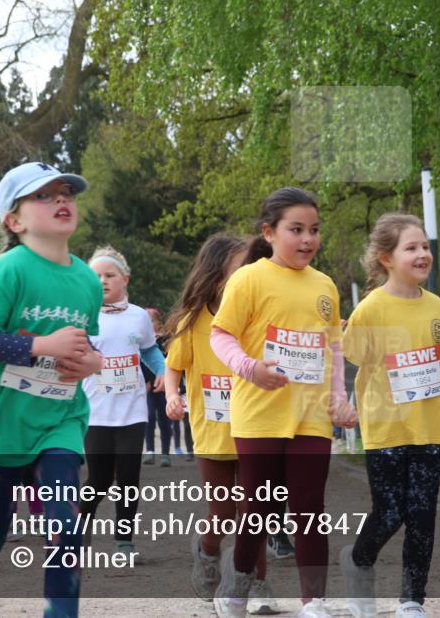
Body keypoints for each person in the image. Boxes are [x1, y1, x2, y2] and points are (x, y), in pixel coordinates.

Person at [0, 162, 103, 618]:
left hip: (60, 420)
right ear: (13, 221)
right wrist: (41, 345)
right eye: (44, 196)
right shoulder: (7, 270)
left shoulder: (88, 279)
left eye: (66, 193)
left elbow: (86, 347)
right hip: (2, 424)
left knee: (65, 527)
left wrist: (92, 362)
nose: (61, 201)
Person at [209, 187, 358, 618]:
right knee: (257, 505)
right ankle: (236, 590)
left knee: (310, 506)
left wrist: (338, 398)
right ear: (269, 232)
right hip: (259, 414)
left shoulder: (325, 285)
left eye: (314, 230)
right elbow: (221, 335)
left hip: (310, 417)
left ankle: (315, 600)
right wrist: (250, 368)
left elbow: (333, 347)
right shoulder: (249, 278)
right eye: (297, 230)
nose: (308, 239)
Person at [340, 214, 440, 618]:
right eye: (411, 248)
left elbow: (438, 367)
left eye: (425, 246)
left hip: (429, 429)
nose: (423, 254)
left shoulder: (438, 309)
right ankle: (358, 559)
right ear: (385, 258)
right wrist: (339, 405)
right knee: (390, 512)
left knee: (423, 516)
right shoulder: (370, 310)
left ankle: (412, 599)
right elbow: (351, 361)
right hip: (386, 428)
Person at [164, 234, 277, 614]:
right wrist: (171, 395)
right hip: (212, 431)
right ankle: (208, 549)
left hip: (255, 427)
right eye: (241, 269)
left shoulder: (259, 315)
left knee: (255, 509)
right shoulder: (193, 321)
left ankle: (256, 585)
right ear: (215, 276)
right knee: (224, 512)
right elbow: (174, 364)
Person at [80, 245, 165, 559]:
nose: (102, 281)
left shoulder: (139, 316)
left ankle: (124, 540)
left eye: (109, 275)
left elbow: (150, 351)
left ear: (125, 279)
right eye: (96, 276)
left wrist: (165, 374)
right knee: (99, 478)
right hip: (97, 411)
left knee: (129, 478)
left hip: (132, 411)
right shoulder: (83, 316)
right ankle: (79, 525)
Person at [144, 307, 173, 466]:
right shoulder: (140, 339)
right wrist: (146, 382)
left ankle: (165, 453)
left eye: (152, 320)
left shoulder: (165, 340)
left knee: (164, 418)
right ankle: (149, 450)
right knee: (149, 416)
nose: (149, 324)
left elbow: (170, 362)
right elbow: (141, 363)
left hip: (164, 385)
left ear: (159, 323)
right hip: (148, 385)